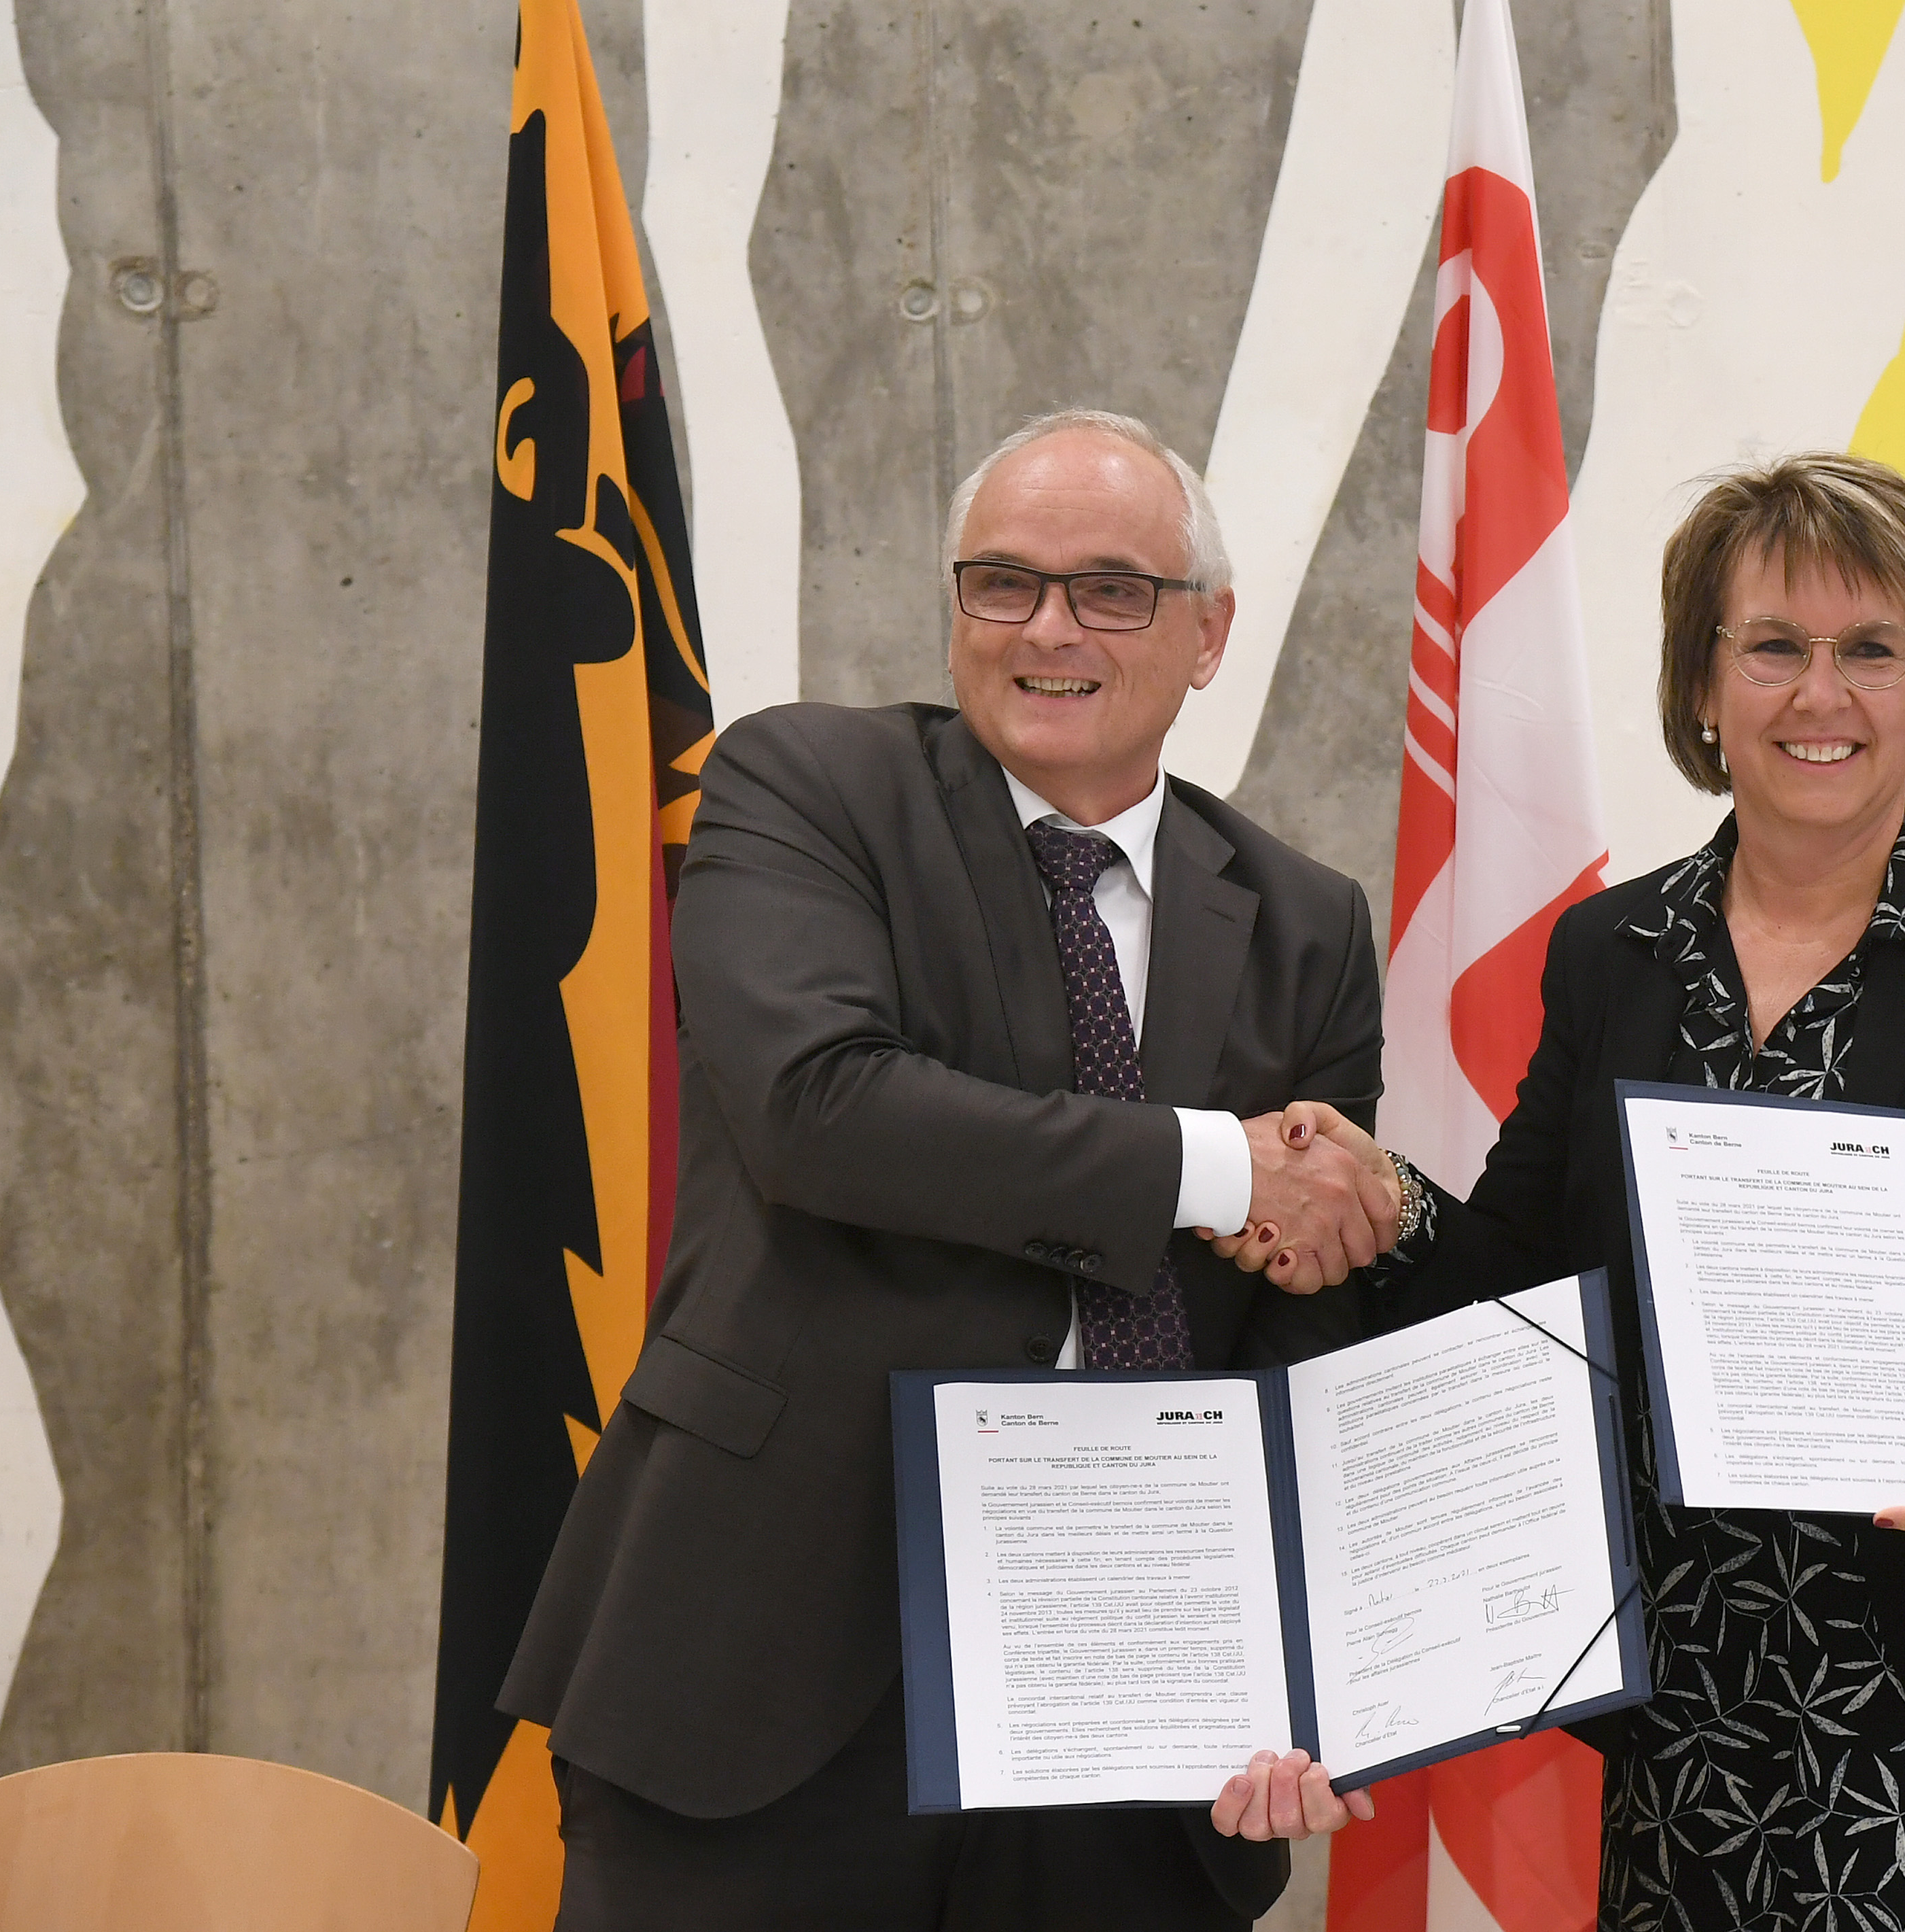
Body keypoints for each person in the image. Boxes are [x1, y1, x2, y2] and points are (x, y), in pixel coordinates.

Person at [1226, 452, 1905, 1927]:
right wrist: (1384, 1199)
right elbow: (1523, 1283)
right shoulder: (1611, 953)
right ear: (1703, 685)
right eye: (1773, 645)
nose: (1819, 695)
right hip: (1707, 1739)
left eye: (1869, 650)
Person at [503, 408, 1393, 1931]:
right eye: (1003, 583)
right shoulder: (807, 788)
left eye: (1111, 588)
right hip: (769, 1669)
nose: (1049, 627)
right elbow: (819, 1107)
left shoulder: (1305, 919)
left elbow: (1298, 1308)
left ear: (1208, 633)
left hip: (1134, 1708)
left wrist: (1310, 1662)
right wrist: (1209, 1164)